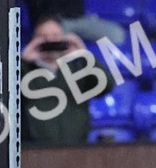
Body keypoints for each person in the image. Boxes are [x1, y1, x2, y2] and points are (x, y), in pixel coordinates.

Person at [20, 18, 112, 146]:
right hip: (34, 150)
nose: (50, 40)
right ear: (34, 40)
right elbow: (6, 96)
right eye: (43, 36)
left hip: (76, 148)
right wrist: (23, 61)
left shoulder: (78, 69)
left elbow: (106, 86)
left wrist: (85, 55)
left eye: (55, 36)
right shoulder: (25, 71)